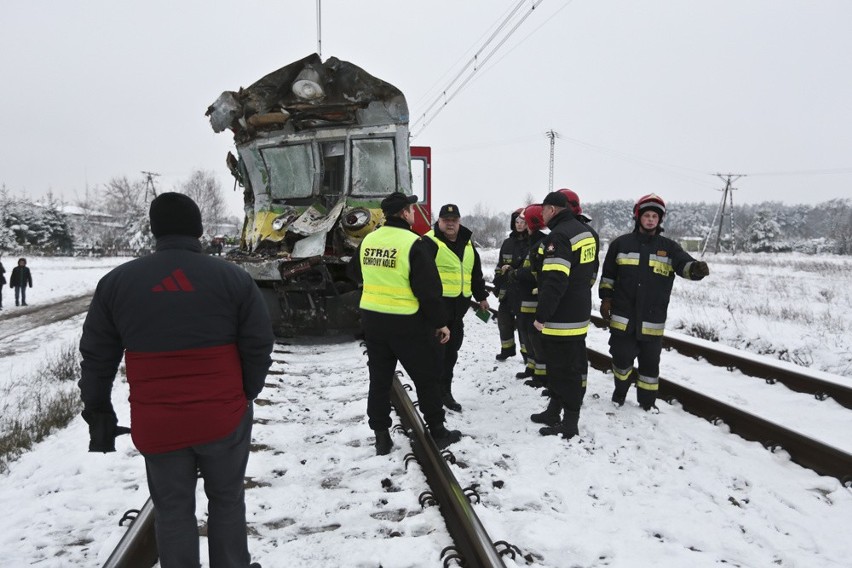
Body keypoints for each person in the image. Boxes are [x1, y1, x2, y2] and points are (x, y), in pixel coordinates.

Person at [78, 192, 274, 568]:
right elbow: (258, 344)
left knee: (172, 509)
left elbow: (97, 358)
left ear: (154, 231)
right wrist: (246, 391)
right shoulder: (233, 278)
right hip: (223, 416)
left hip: (158, 423)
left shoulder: (117, 283)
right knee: (227, 500)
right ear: (198, 230)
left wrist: (98, 409)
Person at [348, 191, 461, 454]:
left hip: (374, 322)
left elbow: (354, 272)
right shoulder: (414, 243)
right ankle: (437, 431)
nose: (413, 211)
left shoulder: (369, 240)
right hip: (408, 324)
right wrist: (441, 322)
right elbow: (428, 291)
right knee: (427, 377)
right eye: (411, 208)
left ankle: (381, 436)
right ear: (405, 213)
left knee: (379, 380)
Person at [599, 193, 709, 411]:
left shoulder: (669, 247)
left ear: (660, 220)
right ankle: (620, 393)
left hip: (652, 319)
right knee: (621, 359)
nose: (650, 220)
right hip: (624, 318)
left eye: (655, 217)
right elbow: (608, 275)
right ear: (638, 217)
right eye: (647, 215)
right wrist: (606, 299)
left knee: (650, 367)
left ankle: (647, 404)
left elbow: (684, 265)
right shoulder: (620, 244)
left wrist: (695, 270)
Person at [532, 191, 599, 440]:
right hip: (578, 310)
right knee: (566, 367)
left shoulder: (559, 236)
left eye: (543, 211)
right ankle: (553, 411)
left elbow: (555, 279)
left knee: (563, 370)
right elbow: (591, 272)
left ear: (552, 209)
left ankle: (569, 424)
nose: (541, 215)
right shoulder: (586, 232)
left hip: (560, 317)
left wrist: (541, 315)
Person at [423, 204, 490, 412]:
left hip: (457, 313)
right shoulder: (428, 242)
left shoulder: (468, 243)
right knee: (435, 356)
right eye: (446, 220)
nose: (450, 223)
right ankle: (432, 397)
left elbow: (475, 273)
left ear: (459, 221)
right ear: (439, 221)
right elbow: (420, 277)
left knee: (451, 355)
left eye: (454, 220)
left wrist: (481, 298)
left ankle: (445, 392)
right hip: (436, 313)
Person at [512, 204, 548, 383]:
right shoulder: (531, 240)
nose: (521, 223)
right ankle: (531, 366)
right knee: (527, 332)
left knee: (535, 335)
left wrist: (515, 273)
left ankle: (540, 374)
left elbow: (536, 271)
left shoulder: (541, 241)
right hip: (525, 297)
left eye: (524, 220)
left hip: (535, 298)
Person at [493, 209, 529, 360]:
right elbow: (499, 264)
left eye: (523, 222)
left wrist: (514, 270)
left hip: (523, 292)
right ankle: (507, 349)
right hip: (507, 291)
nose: (520, 225)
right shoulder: (507, 243)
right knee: (504, 322)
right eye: (517, 222)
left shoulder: (532, 242)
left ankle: (528, 355)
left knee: (523, 326)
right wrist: (497, 282)